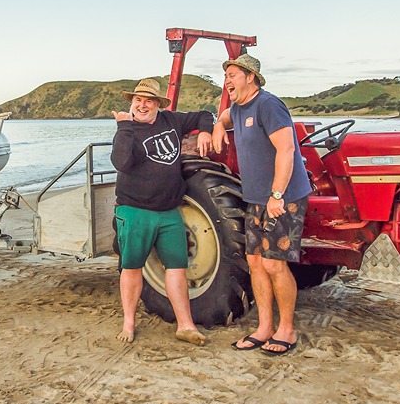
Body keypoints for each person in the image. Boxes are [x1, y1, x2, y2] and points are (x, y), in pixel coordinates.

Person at [211, 53, 312, 356]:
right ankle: (264, 327)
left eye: (232, 75)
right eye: (226, 76)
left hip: (283, 198)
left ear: (250, 77)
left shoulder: (268, 105)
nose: (227, 80)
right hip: (254, 198)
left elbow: (286, 149)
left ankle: (287, 330)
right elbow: (226, 117)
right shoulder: (238, 108)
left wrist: (277, 195)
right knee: (254, 263)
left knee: (273, 263)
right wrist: (217, 126)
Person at [111, 77, 215, 346]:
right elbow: (120, 162)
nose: (142, 105)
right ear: (132, 103)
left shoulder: (171, 121)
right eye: (138, 100)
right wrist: (123, 126)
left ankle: (186, 325)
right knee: (132, 268)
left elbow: (205, 114)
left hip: (169, 211)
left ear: (158, 104)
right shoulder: (128, 129)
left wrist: (205, 131)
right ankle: (129, 323)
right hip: (135, 211)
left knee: (177, 268)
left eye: (148, 100)